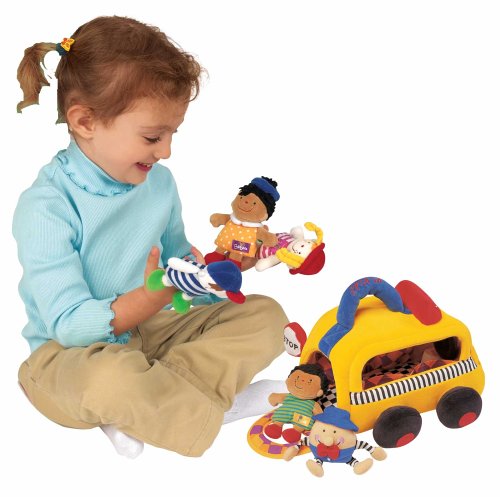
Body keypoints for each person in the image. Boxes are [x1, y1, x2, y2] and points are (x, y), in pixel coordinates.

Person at [13, 16, 287, 459]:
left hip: (158, 330)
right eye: (153, 136)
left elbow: (181, 268)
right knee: (110, 380)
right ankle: (202, 407)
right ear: (85, 121)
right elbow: (69, 324)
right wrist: (151, 296)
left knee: (266, 317)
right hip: (73, 355)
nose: (166, 151)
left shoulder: (159, 184)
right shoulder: (45, 207)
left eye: (172, 134)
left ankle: (150, 407)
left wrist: (220, 272)